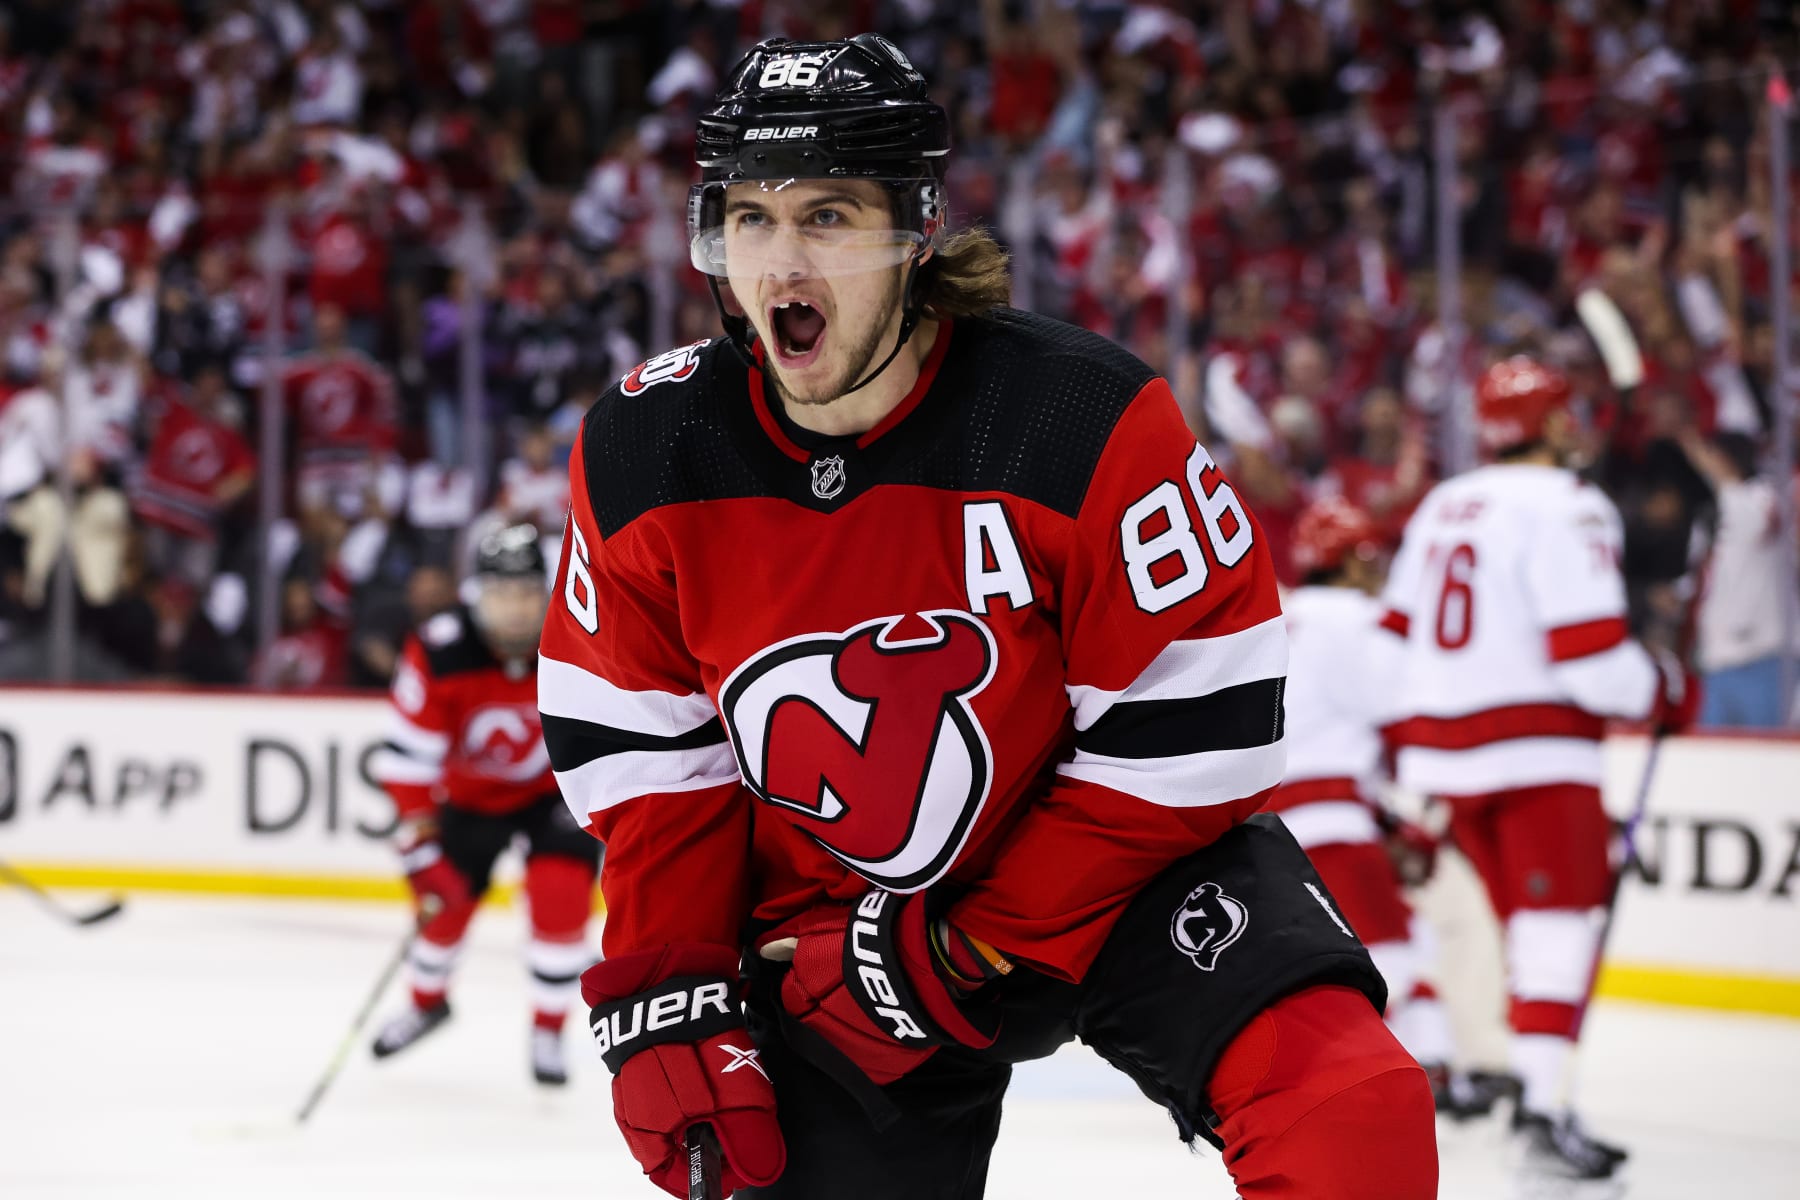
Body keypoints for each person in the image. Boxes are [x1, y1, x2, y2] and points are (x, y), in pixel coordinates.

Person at [539, 35, 1435, 1200]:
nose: (780, 262)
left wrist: (970, 939)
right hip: (836, 933)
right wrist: (669, 990)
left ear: (915, 229)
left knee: (1347, 1112)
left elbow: (1202, 727)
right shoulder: (648, 449)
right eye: (750, 219)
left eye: (829, 217)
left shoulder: (1076, 415)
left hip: (1119, 873)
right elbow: (653, 760)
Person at [1378, 356, 1696, 1181]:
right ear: (1551, 423)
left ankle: (1494, 1080)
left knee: (1500, 936)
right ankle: (1545, 1110)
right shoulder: (1570, 505)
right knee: (1554, 938)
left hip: (1439, 761)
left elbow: (1396, 634)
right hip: (1535, 755)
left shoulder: (1447, 503)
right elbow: (1588, 655)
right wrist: (1658, 683)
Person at [1269, 496, 1510, 1120]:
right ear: (1354, 558)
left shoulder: (1278, 617)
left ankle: (1422, 1066)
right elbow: (1401, 712)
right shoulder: (1354, 618)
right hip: (1337, 820)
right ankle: (1442, 1071)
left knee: (1351, 957)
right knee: (1412, 949)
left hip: (1273, 827)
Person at [370, 523, 599, 1086]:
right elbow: (407, 761)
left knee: (561, 902)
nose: (516, 609)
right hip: (471, 799)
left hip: (557, 794)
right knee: (440, 912)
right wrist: (420, 850)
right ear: (477, 593)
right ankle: (427, 1003)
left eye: (526, 593)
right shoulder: (441, 650)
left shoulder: (581, 634)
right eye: (501, 594)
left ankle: (548, 1029)